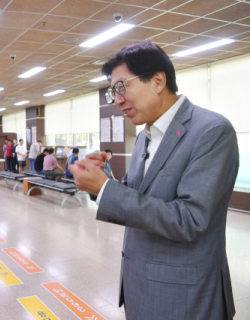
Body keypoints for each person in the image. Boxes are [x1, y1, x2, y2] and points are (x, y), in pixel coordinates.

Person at [69, 42, 238, 320]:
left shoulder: (212, 132)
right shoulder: (145, 135)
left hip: (185, 298)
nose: (118, 100)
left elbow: (191, 219)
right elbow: (139, 195)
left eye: (122, 87)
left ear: (158, 80)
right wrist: (101, 183)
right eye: (114, 92)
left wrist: (106, 190)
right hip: (140, 289)